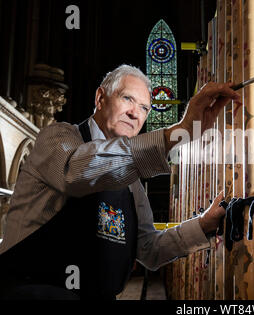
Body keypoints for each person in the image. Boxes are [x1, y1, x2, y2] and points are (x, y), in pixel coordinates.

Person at [0, 64, 240, 300]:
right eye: (127, 99)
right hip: (33, 290)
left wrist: (203, 224)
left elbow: (148, 248)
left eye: (144, 108)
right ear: (100, 97)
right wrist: (180, 131)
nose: (135, 113)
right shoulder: (57, 137)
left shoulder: (131, 180)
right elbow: (77, 172)